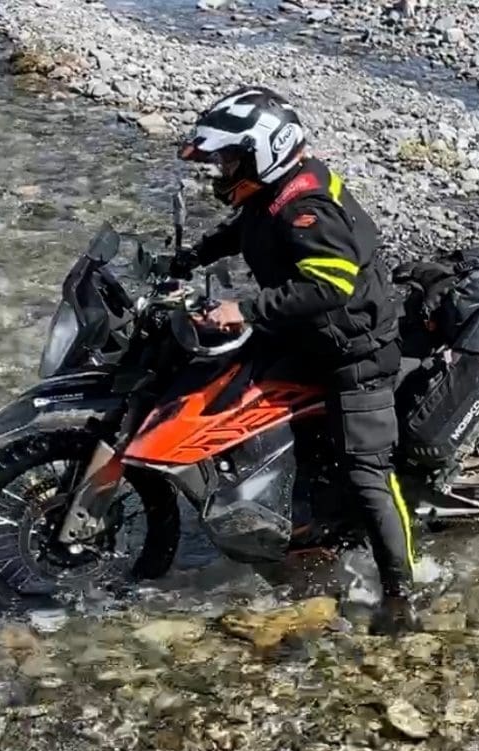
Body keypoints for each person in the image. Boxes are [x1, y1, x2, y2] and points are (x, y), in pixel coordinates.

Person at [173, 86, 418, 635]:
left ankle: (401, 595)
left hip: (353, 352)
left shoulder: (306, 207)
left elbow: (330, 285)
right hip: (306, 336)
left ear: (264, 152)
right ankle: (294, 514)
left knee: (366, 474)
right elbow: (250, 228)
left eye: (231, 159)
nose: (223, 170)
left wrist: (246, 307)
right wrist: (193, 256)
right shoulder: (275, 191)